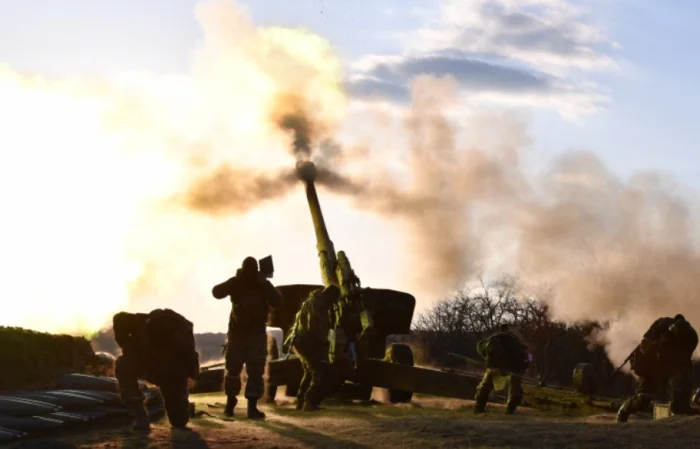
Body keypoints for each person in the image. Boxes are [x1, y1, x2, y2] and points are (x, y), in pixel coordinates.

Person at [212, 256, 283, 419]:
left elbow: (278, 301)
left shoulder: (255, 283)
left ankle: (240, 407)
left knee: (245, 372)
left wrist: (262, 282)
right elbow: (216, 292)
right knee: (242, 372)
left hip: (247, 336)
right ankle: (238, 406)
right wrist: (240, 282)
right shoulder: (243, 282)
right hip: (246, 336)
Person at [113, 308, 200, 431]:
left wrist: (191, 378)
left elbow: (191, 358)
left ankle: (182, 408)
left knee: (179, 421)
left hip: (171, 372)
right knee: (123, 365)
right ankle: (141, 416)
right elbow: (119, 317)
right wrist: (126, 346)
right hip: (147, 363)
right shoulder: (140, 323)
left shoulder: (180, 341)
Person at [617, 314, 698, 423]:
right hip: (653, 364)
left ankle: (677, 414)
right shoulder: (660, 325)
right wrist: (653, 348)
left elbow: (685, 359)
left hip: (673, 364)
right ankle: (622, 413)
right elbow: (644, 344)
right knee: (643, 398)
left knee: (680, 401)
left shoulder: (691, 338)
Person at [285, 284, 340, 411]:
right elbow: (314, 326)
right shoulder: (318, 304)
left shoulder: (313, 300)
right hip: (306, 340)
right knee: (318, 371)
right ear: (330, 296)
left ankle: (301, 401)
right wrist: (325, 341)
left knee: (309, 371)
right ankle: (309, 401)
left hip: (300, 340)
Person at [473, 324, 530, 414]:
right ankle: (509, 410)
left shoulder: (499, 339)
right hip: (499, 365)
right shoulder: (502, 341)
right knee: (513, 387)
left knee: (488, 385)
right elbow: (522, 357)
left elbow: (521, 357)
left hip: (508, 365)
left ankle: (479, 407)